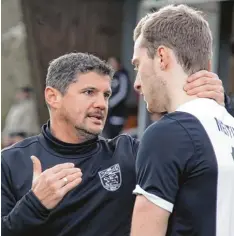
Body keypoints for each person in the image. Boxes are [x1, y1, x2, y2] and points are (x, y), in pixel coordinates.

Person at [1, 52, 227, 236]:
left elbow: (205, 180)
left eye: (106, 95)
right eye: (89, 92)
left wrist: (220, 108)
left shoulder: (129, 153)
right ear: (53, 96)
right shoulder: (10, 162)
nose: (101, 104)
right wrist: (35, 204)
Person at [131, 5, 234, 236]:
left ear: (161, 57)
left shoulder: (168, 134)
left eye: (138, 65)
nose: (137, 82)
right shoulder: (229, 125)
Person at [103, 56, 131, 138]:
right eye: (109, 63)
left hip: (117, 112)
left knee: (115, 136)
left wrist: (110, 103)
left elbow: (122, 93)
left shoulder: (122, 76)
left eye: (113, 63)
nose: (111, 65)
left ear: (119, 64)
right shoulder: (107, 77)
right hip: (107, 113)